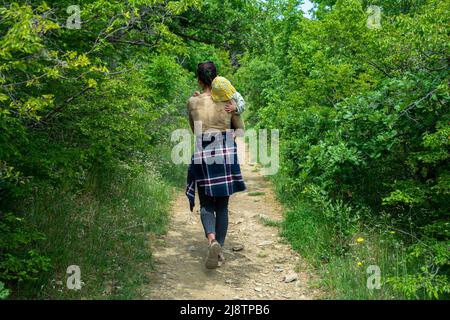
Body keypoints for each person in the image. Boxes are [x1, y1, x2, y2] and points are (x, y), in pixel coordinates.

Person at [186, 61, 246, 269]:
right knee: (222, 206)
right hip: (225, 151)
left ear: (199, 80)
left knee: (206, 204)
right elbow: (240, 131)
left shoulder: (192, 102)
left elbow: (196, 131)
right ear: (218, 78)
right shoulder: (228, 102)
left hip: (203, 151)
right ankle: (219, 247)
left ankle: (211, 240)